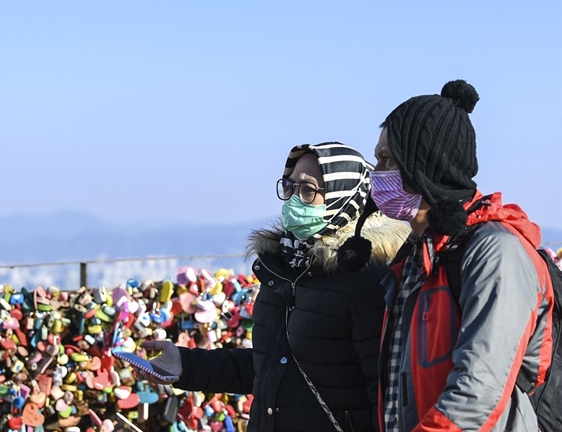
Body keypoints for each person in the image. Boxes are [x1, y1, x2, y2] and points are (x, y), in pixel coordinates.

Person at [140, 142, 409, 432]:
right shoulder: (285, 267)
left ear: (345, 198)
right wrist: (185, 365)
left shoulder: (366, 278)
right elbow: (270, 365)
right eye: (290, 187)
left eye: (308, 190)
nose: (294, 200)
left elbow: (384, 392)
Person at [338, 80, 555, 431]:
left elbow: (478, 392)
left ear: (424, 166)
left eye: (386, 159)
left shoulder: (494, 253)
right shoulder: (416, 256)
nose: (376, 173)